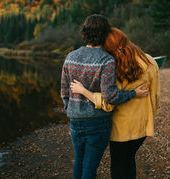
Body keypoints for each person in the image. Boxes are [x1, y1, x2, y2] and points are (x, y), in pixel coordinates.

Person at [60, 15, 149, 179]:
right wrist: (133, 93)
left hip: (75, 120)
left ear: (84, 32)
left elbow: (64, 90)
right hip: (97, 122)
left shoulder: (70, 56)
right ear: (105, 34)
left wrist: (70, 109)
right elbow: (110, 96)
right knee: (89, 167)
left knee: (78, 162)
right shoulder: (106, 60)